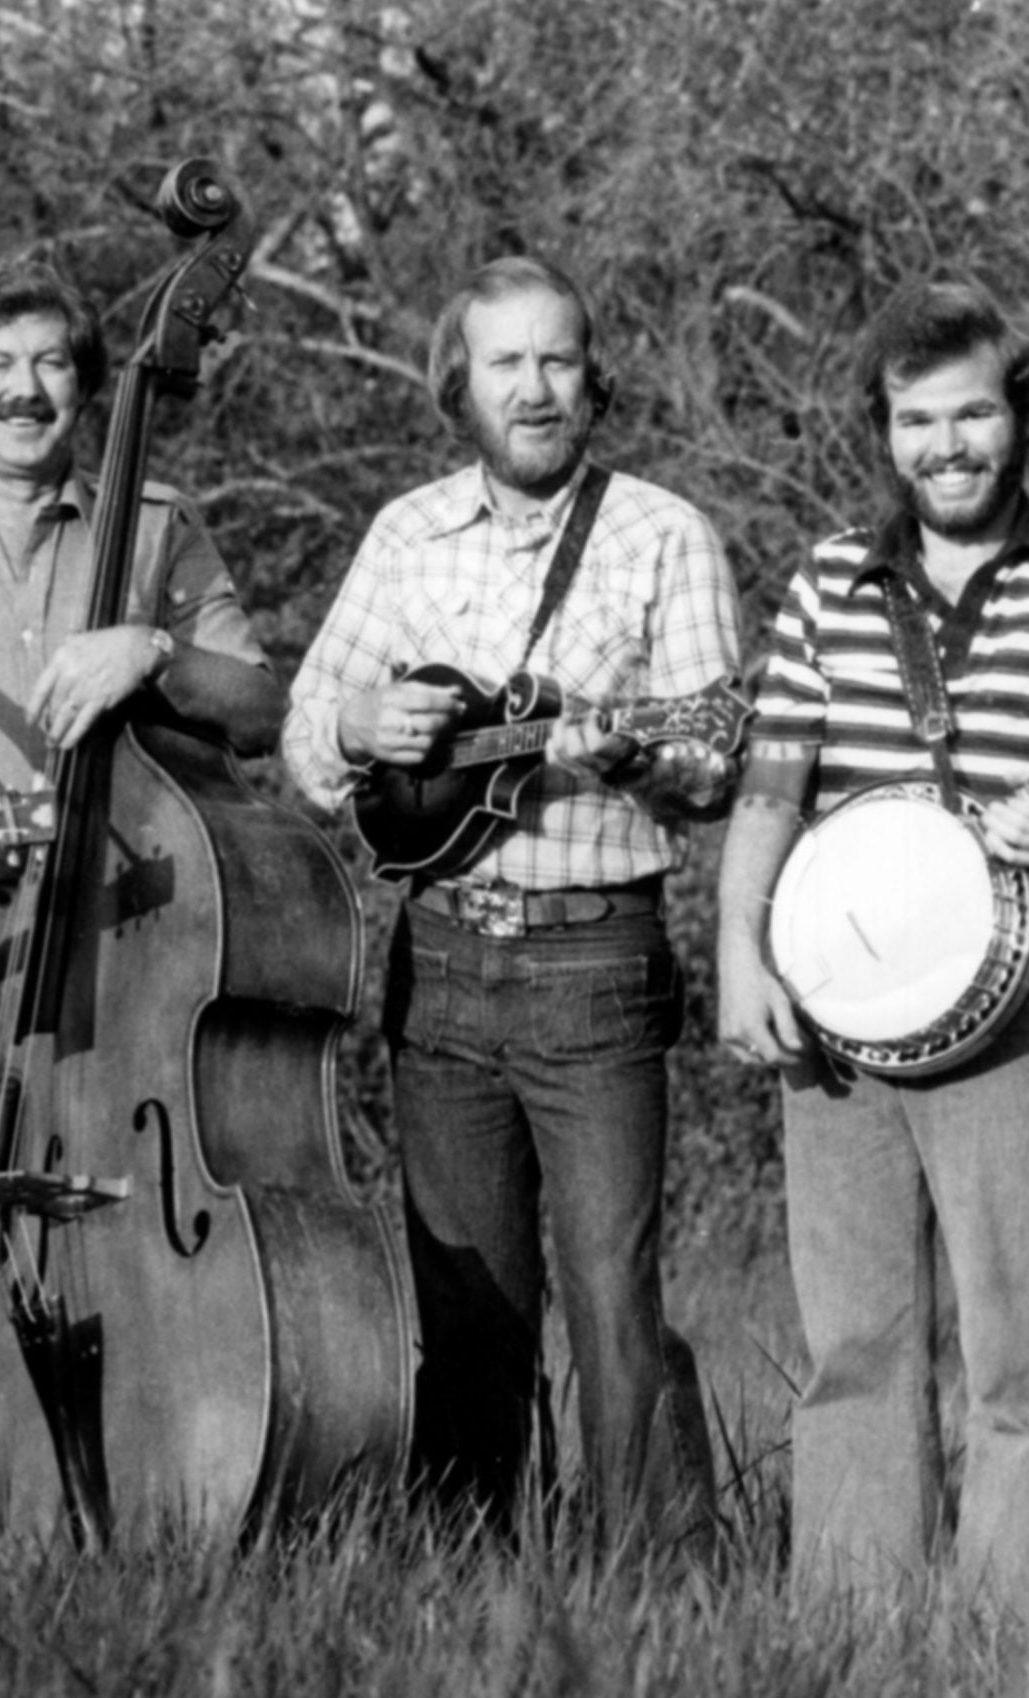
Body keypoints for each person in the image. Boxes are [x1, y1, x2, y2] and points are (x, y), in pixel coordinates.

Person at [716, 280, 1029, 1625]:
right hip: (835, 1016)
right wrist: (739, 954)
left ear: (1020, 413)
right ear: (884, 432)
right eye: (916, 419)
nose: (947, 444)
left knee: (1017, 1357)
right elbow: (771, 782)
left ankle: (1021, 1647)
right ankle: (855, 1635)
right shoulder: (828, 576)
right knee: (854, 1348)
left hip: (1023, 1016)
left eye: (973, 412)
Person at [282, 255, 734, 1549]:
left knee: (611, 1294)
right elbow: (310, 745)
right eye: (506, 364)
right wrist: (365, 721)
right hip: (439, 966)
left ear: (595, 380)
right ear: (459, 387)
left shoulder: (664, 536)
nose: (534, 388)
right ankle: (467, 1579)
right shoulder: (405, 536)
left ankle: (662, 1593)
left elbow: (714, 761)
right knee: (464, 1297)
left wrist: (637, 752)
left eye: (557, 360)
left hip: (595, 961)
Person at [0, 256, 285, 1499]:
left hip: (115, 972)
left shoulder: (157, 525)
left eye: (52, 364)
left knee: (108, 1290)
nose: (25, 391)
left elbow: (258, 707)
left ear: (87, 389)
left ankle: (87, 1548)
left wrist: (157, 649)